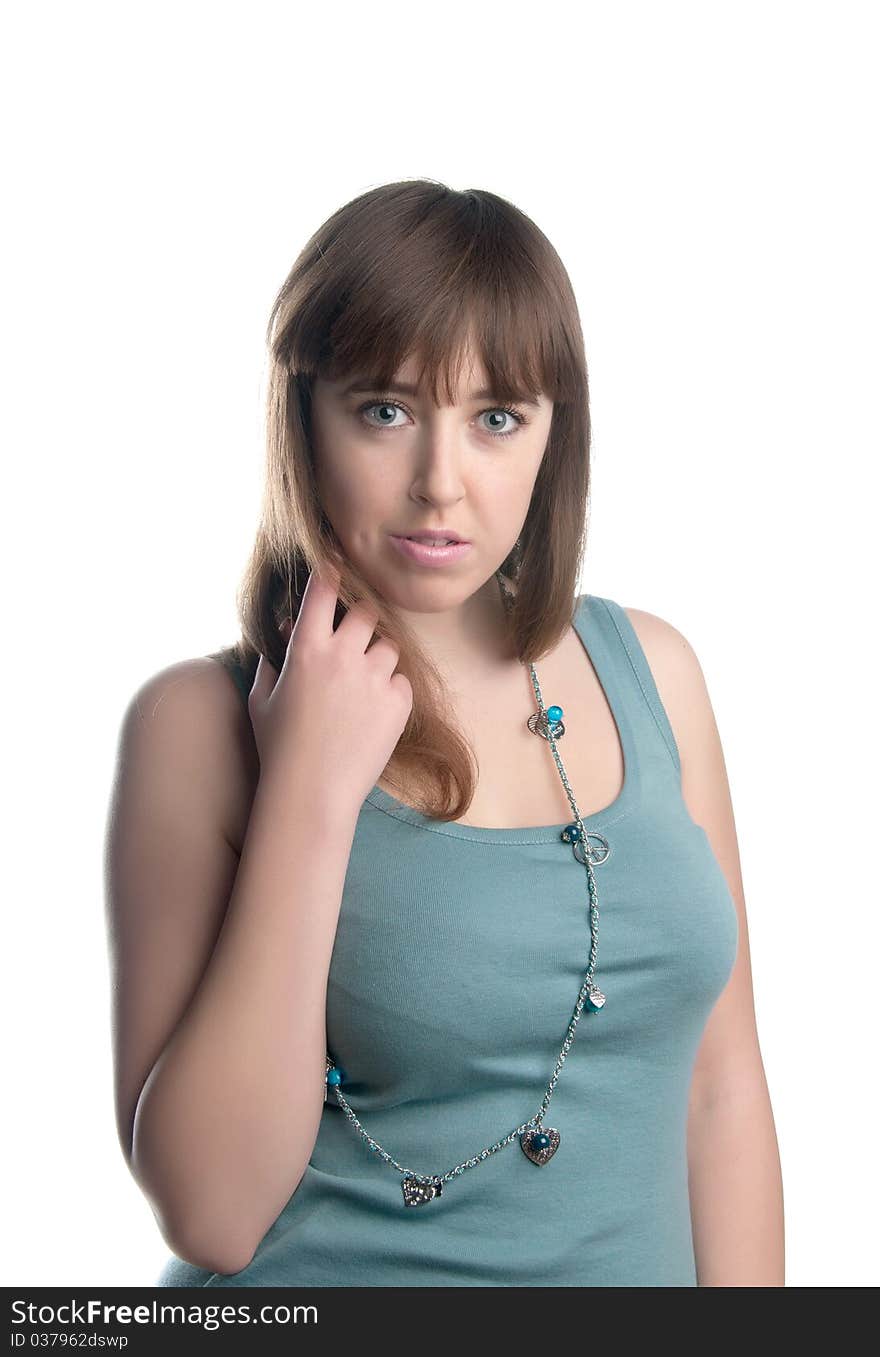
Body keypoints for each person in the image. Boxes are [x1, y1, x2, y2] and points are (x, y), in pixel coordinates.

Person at [104, 179, 784, 1287]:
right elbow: (214, 1216)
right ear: (303, 417)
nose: (439, 484)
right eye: (384, 409)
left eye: (496, 418)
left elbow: (722, 1083)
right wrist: (311, 793)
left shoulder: (653, 673)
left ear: (553, 436)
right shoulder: (197, 725)